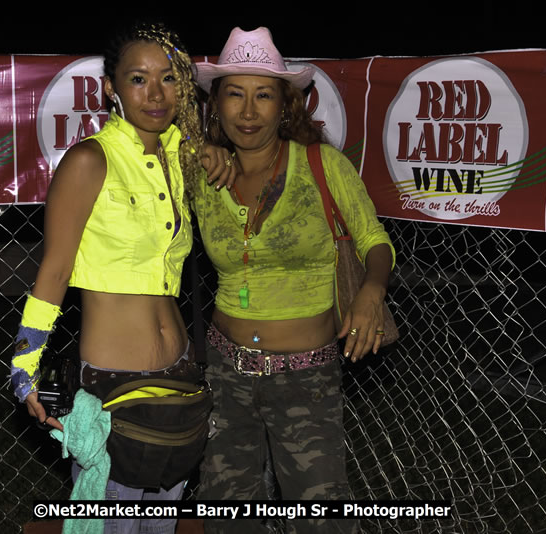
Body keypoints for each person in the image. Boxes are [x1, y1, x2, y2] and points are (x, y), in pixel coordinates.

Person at [10, 22, 234, 534]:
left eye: (169, 79)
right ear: (110, 87)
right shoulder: (90, 160)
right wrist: (24, 366)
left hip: (178, 379)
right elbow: (56, 270)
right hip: (114, 390)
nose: (156, 94)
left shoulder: (182, 158)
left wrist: (215, 152)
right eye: (138, 79)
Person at [192, 27, 396, 533]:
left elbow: (375, 241)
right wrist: (196, 149)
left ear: (286, 105)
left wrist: (372, 291)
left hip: (305, 378)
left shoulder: (321, 164)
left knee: (321, 516)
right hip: (223, 374)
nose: (247, 110)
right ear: (215, 104)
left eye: (263, 95)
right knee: (225, 516)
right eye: (234, 93)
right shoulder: (199, 174)